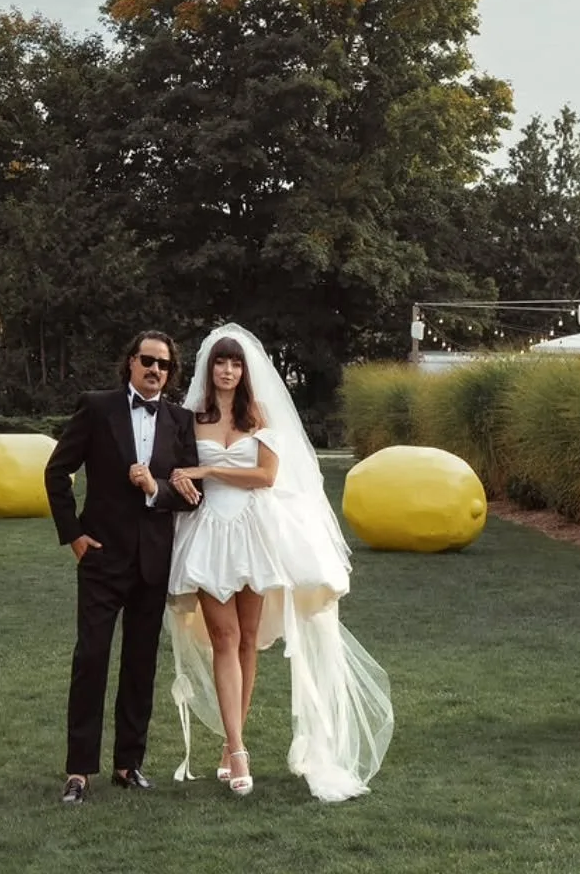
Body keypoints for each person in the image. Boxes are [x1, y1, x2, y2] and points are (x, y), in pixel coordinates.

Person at [154, 324, 394, 802]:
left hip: (254, 531)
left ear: (244, 371)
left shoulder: (258, 414)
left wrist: (209, 469)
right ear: (208, 368)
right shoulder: (188, 418)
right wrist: (183, 479)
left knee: (246, 639)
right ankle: (239, 749)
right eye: (220, 362)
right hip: (207, 533)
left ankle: (230, 742)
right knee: (221, 636)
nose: (227, 370)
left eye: (235, 363)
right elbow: (177, 471)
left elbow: (266, 476)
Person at [44, 330, 202, 806]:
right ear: (130, 363)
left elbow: (194, 494)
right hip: (100, 558)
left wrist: (155, 487)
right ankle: (78, 771)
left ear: (171, 373)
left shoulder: (179, 420)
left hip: (153, 562)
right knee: (90, 659)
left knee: (140, 665)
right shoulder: (97, 407)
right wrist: (73, 535)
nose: (155, 370)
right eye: (147, 361)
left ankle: (128, 765)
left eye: (164, 365)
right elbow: (57, 471)